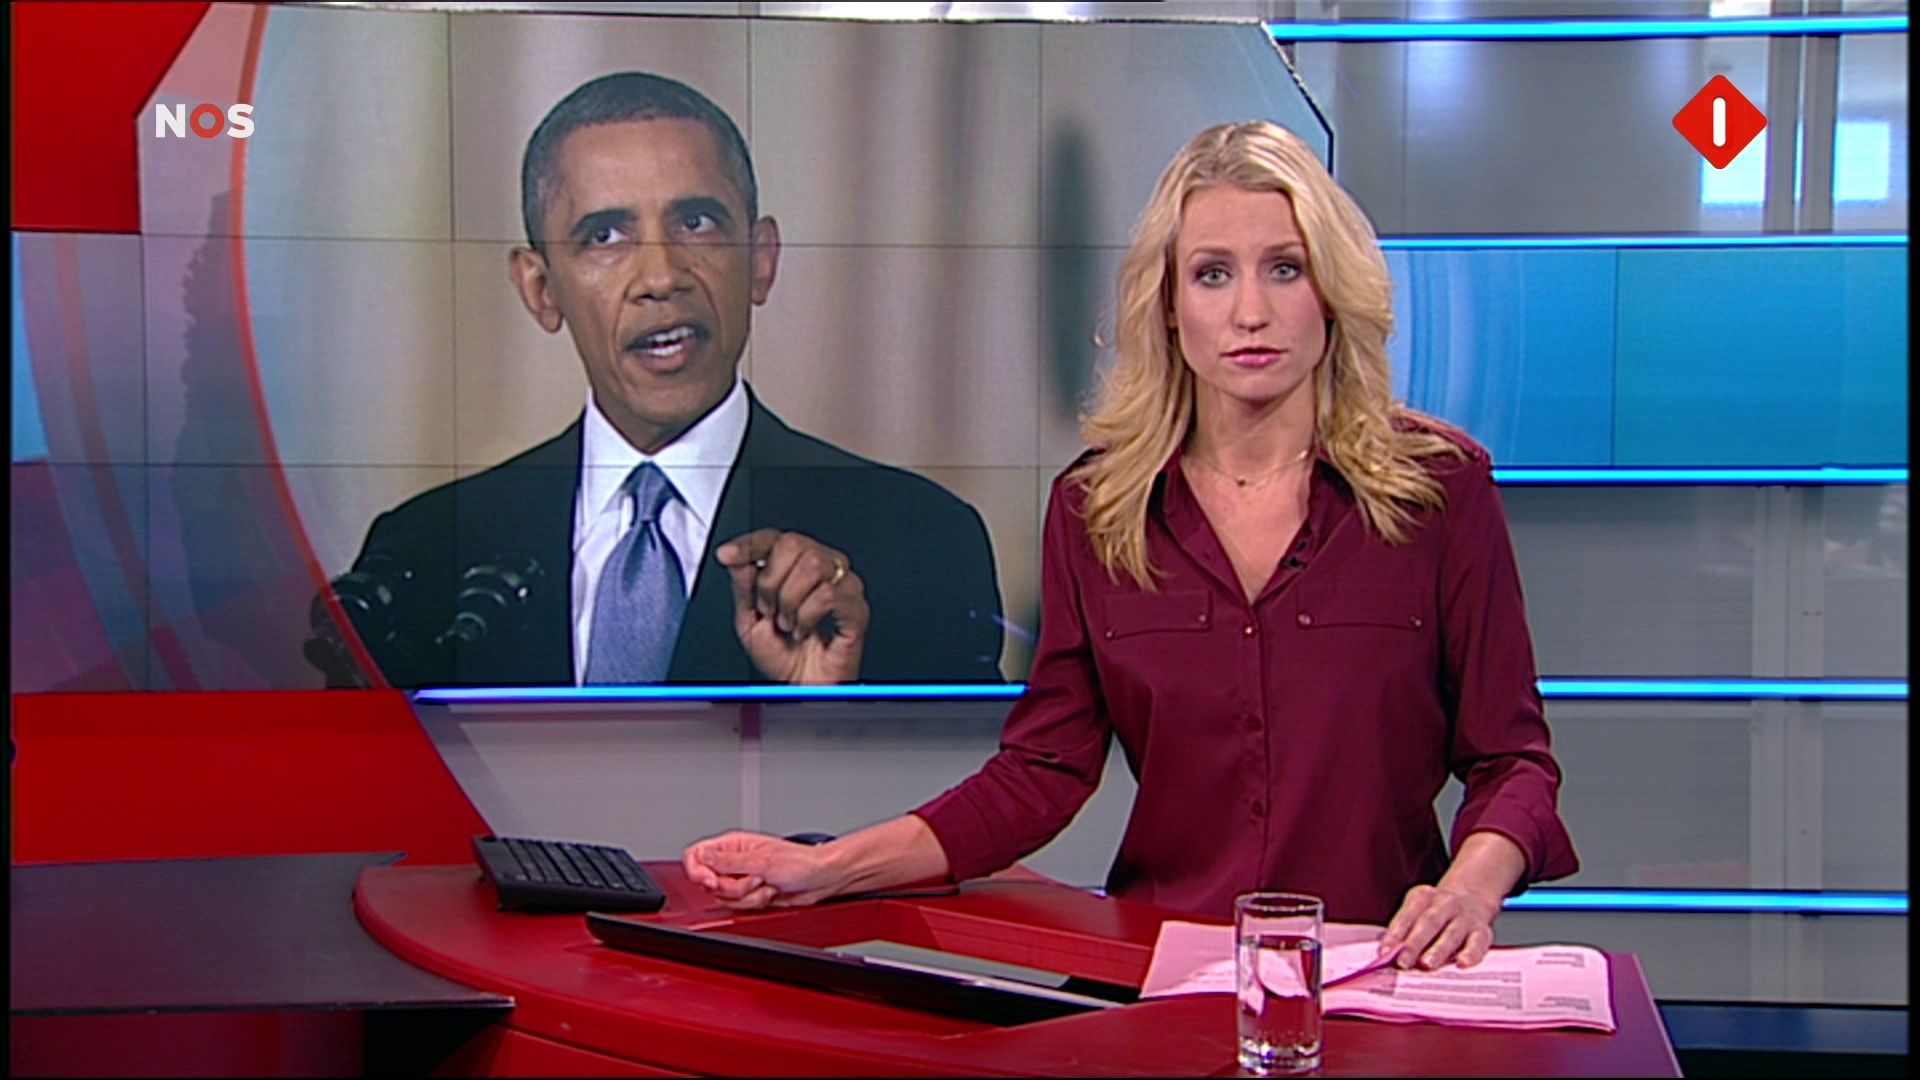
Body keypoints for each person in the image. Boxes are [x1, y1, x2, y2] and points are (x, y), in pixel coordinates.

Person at [682, 120, 1578, 970]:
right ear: (1170, 304)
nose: (1251, 312)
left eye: (1286, 269)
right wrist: (830, 867)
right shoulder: (1099, 508)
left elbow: (1512, 761)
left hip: (1373, 972)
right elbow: (1041, 774)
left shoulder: (1437, 490)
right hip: (1165, 971)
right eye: (1213, 275)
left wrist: (1467, 891)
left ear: (1333, 292)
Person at [338, 72, 1004, 687]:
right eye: (605, 236)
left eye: (696, 223)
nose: (660, 277)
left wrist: (829, 711)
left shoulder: (918, 541)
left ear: (761, 259)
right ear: (540, 289)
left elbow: (964, 777)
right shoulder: (427, 550)